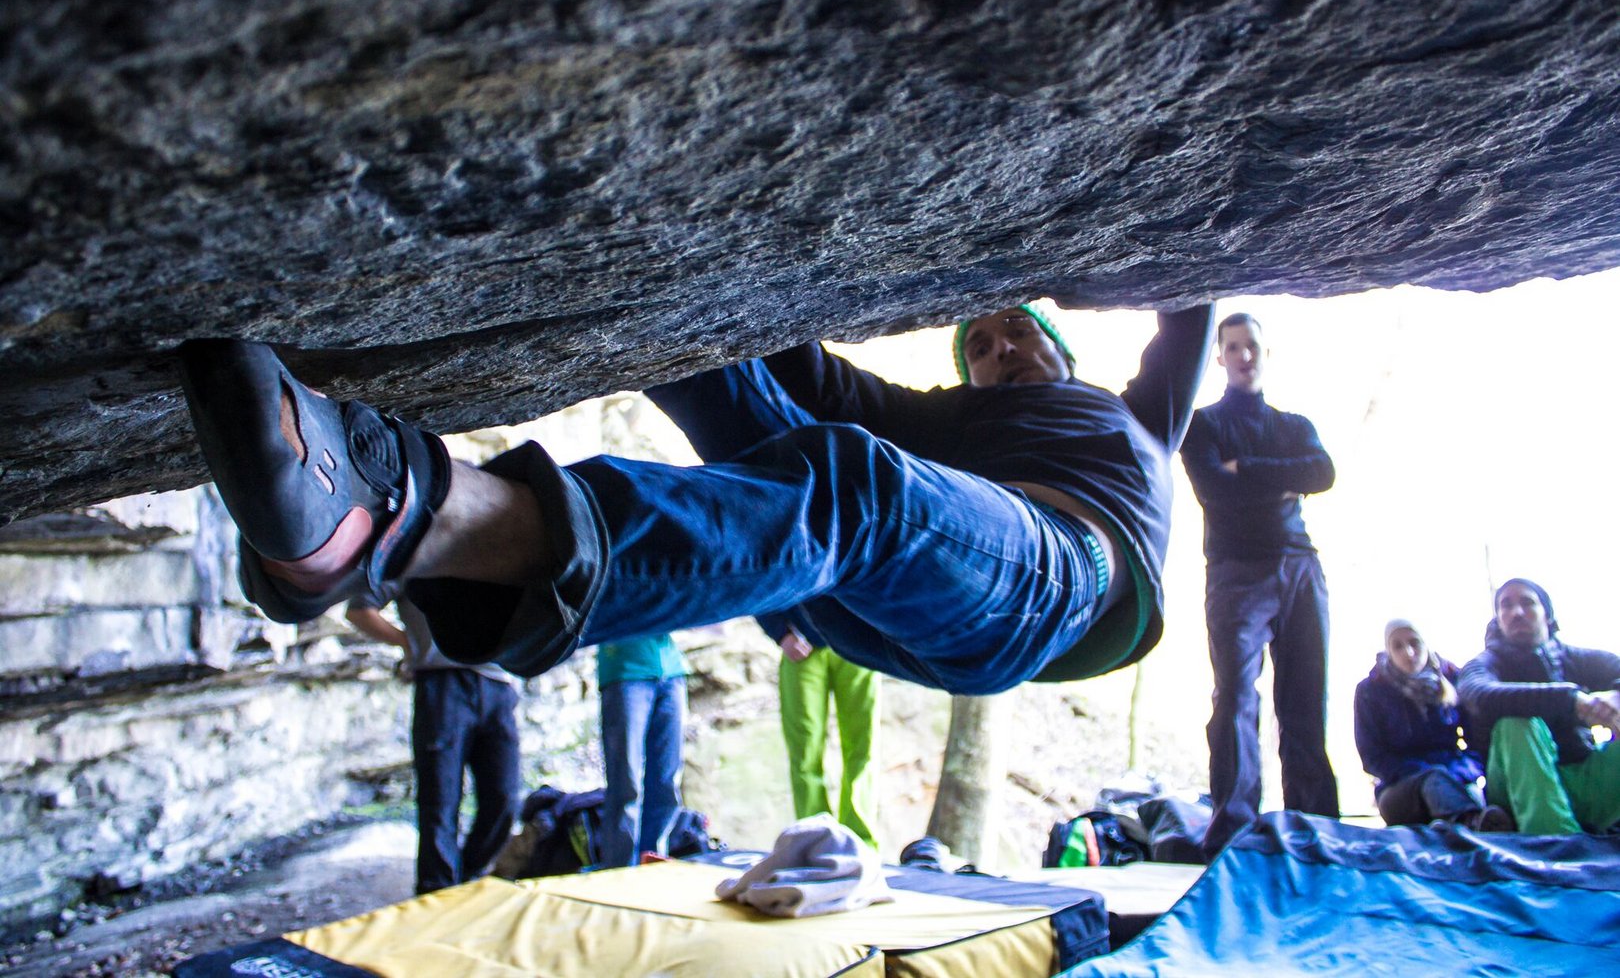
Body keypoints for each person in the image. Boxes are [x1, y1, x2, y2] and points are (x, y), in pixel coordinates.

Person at [175, 299, 1213, 699]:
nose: (997, 351)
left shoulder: (1135, 418)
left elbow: (1191, 308)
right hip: (877, 607)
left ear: (1063, 346)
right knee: (723, 370)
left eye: (1016, 335)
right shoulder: (947, 421)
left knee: (860, 486)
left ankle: (397, 516)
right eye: (978, 345)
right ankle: (352, 518)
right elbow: (814, 375)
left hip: (1058, 579)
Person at [1180, 312, 1339, 858]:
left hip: (1301, 569)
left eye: (1252, 345)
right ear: (1219, 357)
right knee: (1234, 700)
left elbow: (1322, 472)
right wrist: (1280, 480)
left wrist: (1245, 467)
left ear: (1264, 353)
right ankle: (1232, 831)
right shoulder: (1200, 425)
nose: (1244, 355)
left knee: (1304, 700)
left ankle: (1316, 829)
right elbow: (1213, 492)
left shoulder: (1294, 424)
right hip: (1235, 574)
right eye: (1233, 347)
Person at [345, 596, 522, 894]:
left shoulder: (496, 553)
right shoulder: (406, 554)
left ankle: (464, 879)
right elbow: (359, 610)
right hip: (441, 684)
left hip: (500, 686)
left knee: (504, 798)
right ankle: (436, 893)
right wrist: (408, 642)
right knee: (439, 800)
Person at [1457, 578, 1620, 835]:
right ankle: (1555, 845)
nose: (1516, 612)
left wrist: (1615, 698)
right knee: (1517, 723)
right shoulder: (1483, 665)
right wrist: (1571, 700)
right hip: (1516, 791)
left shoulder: (1578, 659)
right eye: (1506, 606)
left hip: (1583, 781)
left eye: (1527, 603)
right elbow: (1479, 695)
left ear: (1547, 614)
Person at [1353, 618, 1509, 830]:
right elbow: (1372, 757)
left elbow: (1477, 742)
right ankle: (1473, 824)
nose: (1408, 652)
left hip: (1455, 777)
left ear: (1425, 644)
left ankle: (1456, 828)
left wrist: (1461, 771)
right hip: (1399, 790)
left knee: (1462, 792)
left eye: (1414, 643)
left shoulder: (1454, 678)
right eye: (1397, 646)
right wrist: (1423, 772)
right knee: (1435, 780)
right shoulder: (1370, 691)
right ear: (1388, 650)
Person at [757, 616, 880, 849]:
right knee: (804, 753)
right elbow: (755, 586)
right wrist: (781, 634)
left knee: (863, 748)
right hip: (803, 650)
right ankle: (815, 842)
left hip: (859, 645)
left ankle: (861, 844)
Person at [596, 633, 688, 867]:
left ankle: (654, 862)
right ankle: (619, 870)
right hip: (625, 672)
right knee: (626, 784)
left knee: (667, 781)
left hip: (672, 670)